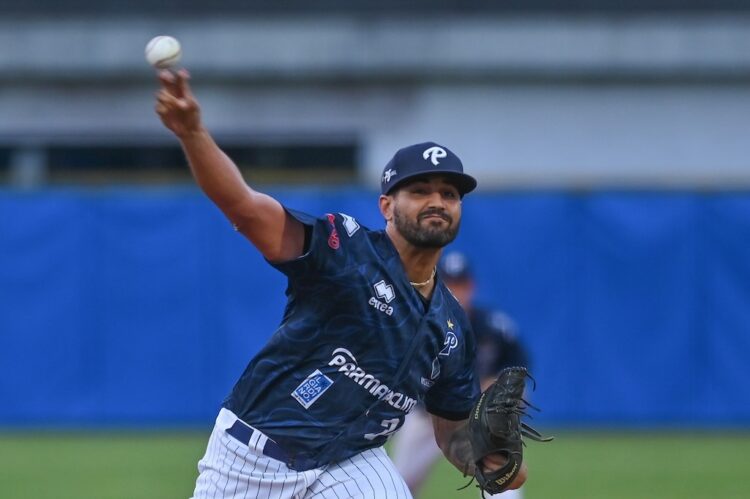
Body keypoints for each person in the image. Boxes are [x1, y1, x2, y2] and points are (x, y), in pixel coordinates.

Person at [153, 68, 528, 498]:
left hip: (350, 461)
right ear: (386, 205)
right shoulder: (344, 250)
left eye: (449, 194)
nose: (437, 202)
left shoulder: (452, 328)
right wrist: (194, 134)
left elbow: (450, 427)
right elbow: (244, 208)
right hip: (255, 456)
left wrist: (491, 459)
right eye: (420, 190)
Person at [390, 251, 531, 499]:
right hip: (426, 418)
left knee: (502, 483)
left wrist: (499, 390)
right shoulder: (420, 325)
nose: (457, 291)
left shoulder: (493, 326)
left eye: (461, 284)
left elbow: (519, 366)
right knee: (396, 486)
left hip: (478, 422)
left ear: (472, 286)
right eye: (450, 284)